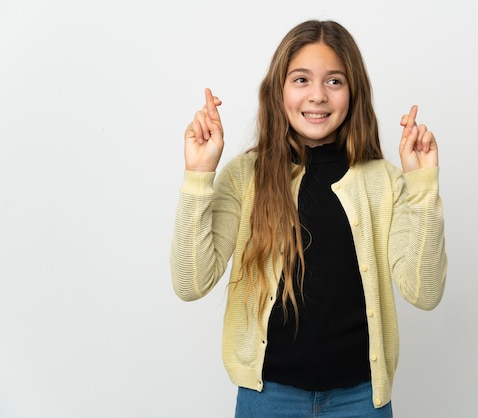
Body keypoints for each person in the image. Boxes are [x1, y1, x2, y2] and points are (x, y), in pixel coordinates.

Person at [170, 19, 447, 418]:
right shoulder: (245, 176)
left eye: (334, 81)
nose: (317, 95)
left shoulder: (383, 181)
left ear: (353, 93)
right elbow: (190, 283)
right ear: (278, 90)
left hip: (361, 402)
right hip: (268, 399)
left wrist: (423, 186)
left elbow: (425, 293)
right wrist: (198, 176)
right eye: (301, 79)